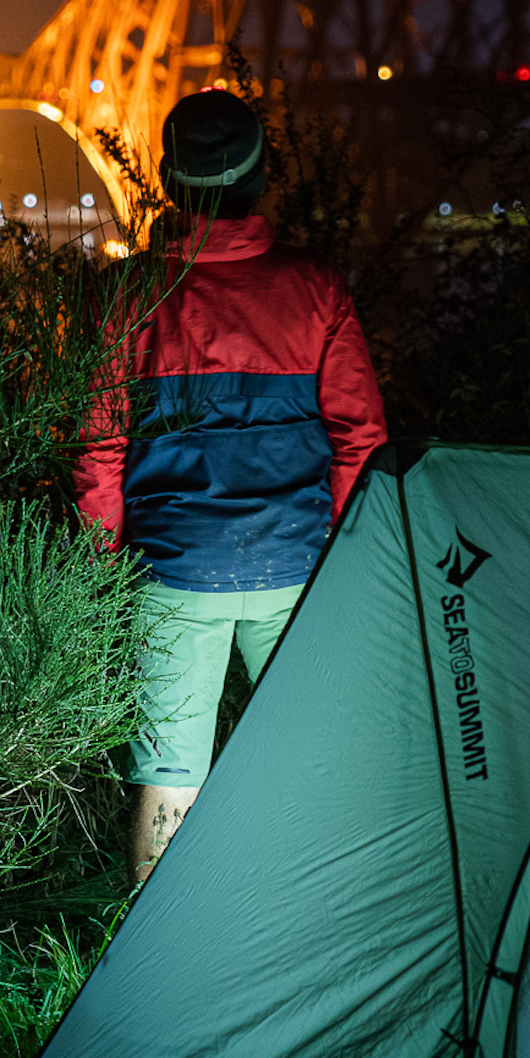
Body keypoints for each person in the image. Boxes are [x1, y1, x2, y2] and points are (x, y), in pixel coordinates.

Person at [74, 89, 388, 882]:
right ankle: (314, 932)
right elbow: (362, 440)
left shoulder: (130, 297)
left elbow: (98, 447)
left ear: (170, 186)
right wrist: (342, 554)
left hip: (175, 571)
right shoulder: (316, 291)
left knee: (169, 773)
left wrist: (97, 564)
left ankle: (148, 967)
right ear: (259, 180)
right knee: (316, 758)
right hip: (297, 566)